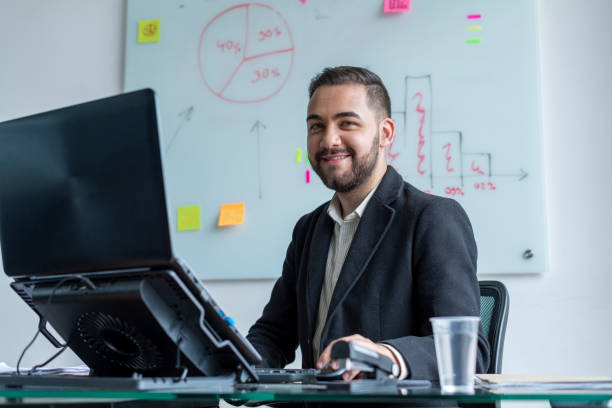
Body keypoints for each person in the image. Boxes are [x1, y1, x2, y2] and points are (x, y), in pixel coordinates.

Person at [246, 66, 490, 381]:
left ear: (385, 133)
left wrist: (384, 357)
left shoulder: (431, 217)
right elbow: (273, 335)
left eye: (347, 123)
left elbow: (467, 353)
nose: (329, 140)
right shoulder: (308, 229)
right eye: (316, 126)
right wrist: (226, 359)